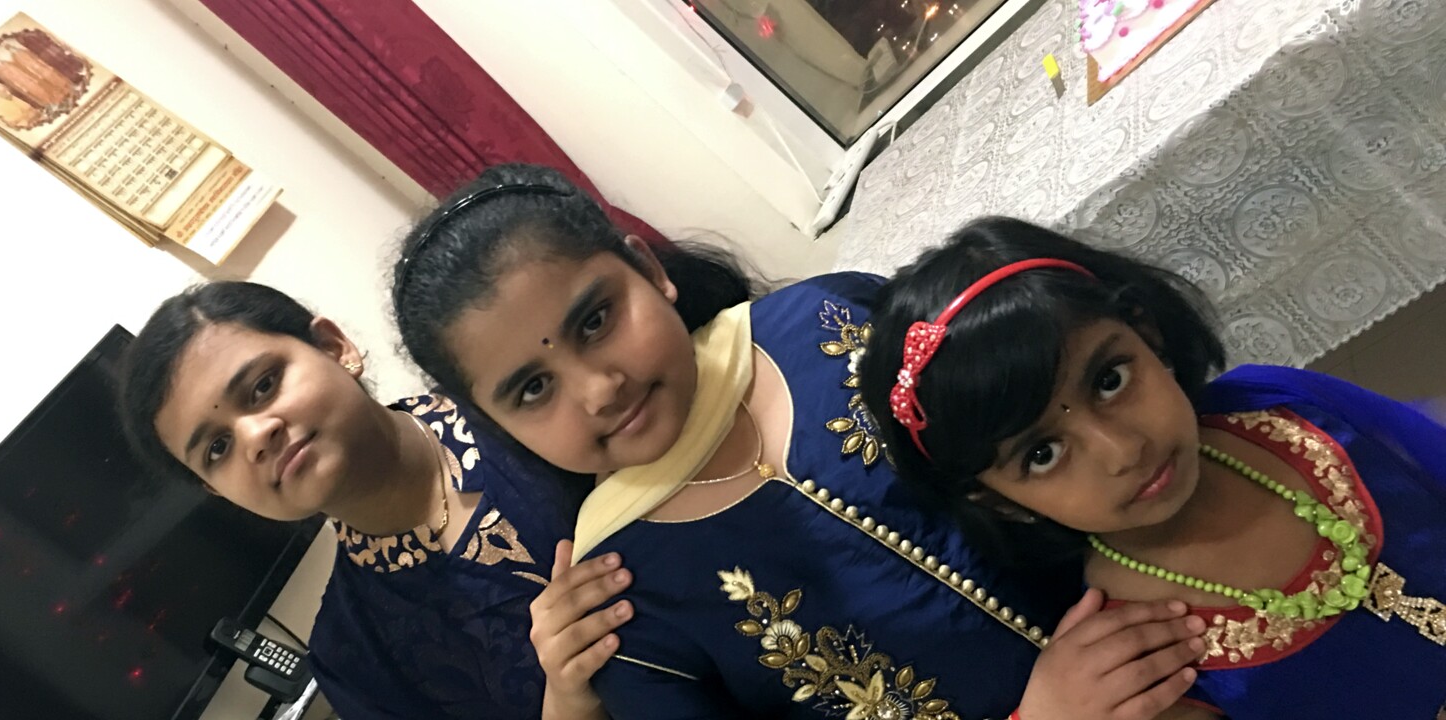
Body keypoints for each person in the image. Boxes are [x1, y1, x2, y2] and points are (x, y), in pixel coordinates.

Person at [390, 163, 1210, 720]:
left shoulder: (829, 315)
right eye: (533, 390)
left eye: (597, 319)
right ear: (497, 424)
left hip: (1208, 628)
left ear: (648, 269)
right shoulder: (617, 601)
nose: (598, 387)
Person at [858, 217, 1446, 720]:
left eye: (1109, 380)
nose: (1123, 450)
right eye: (1042, 454)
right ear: (1002, 502)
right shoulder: (1144, 665)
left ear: (1146, 333)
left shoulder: (1281, 405)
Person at [116, 281, 613, 719]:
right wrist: (569, 705)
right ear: (216, 490)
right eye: (217, 449)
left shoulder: (522, 398)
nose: (255, 437)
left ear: (335, 347)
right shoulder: (354, 660)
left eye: (263, 386)